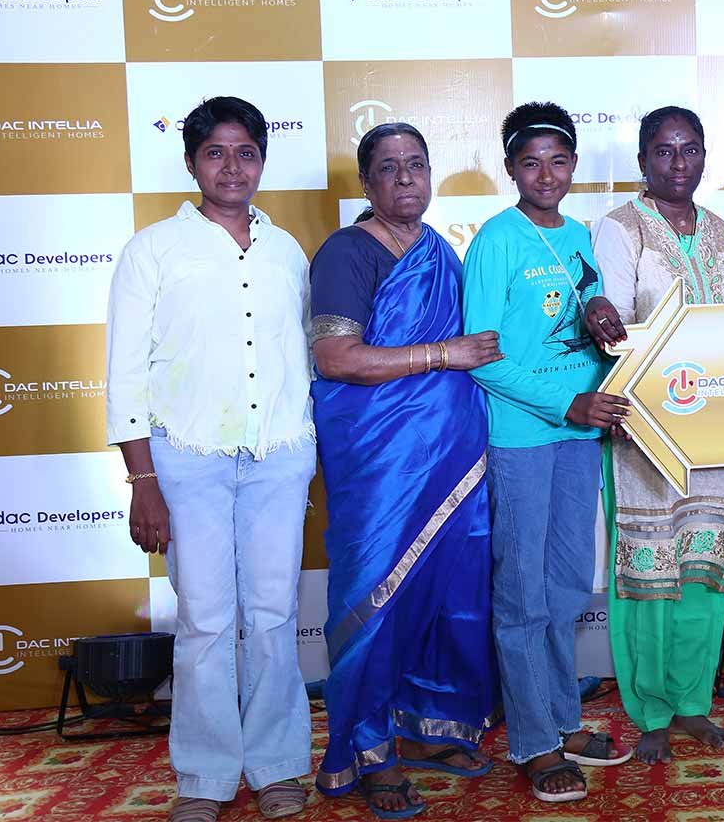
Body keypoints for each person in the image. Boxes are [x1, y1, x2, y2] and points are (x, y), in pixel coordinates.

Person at [106, 97, 315, 822]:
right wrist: (143, 480)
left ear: (262, 160)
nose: (232, 167)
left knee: (273, 614)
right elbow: (125, 374)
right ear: (192, 162)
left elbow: (301, 357)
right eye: (216, 153)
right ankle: (204, 776)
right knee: (204, 621)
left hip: (278, 455)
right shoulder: (154, 249)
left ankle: (278, 765)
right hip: (186, 459)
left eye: (246, 152)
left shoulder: (286, 251)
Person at [308, 123, 503, 819]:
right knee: (376, 600)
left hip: (452, 458)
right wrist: (444, 354)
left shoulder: (440, 252)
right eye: (388, 168)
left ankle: (428, 726)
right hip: (381, 464)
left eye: (416, 165)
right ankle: (367, 749)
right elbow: (337, 358)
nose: (405, 179)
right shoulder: (347, 252)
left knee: (450, 592)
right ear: (366, 183)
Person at [461, 102, 635, 803]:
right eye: (530, 162)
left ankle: (563, 721)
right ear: (510, 168)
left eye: (558, 161)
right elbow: (482, 356)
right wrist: (567, 403)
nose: (546, 175)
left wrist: (604, 324)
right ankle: (534, 742)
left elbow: (589, 317)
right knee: (523, 594)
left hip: (579, 436)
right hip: (524, 438)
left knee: (565, 586)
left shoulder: (582, 235)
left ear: (573, 166)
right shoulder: (495, 240)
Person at [590, 106, 724, 764]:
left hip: (714, 428)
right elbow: (614, 329)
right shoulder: (621, 228)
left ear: (705, 156)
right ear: (643, 161)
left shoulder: (722, 232)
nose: (678, 163)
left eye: (690, 149)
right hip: (645, 428)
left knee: (703, 568)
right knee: (648, 573)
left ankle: (691, 703)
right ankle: (650, 710)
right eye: (663, 150)